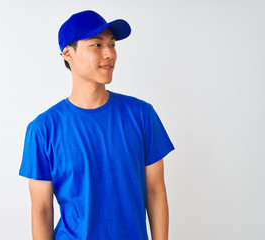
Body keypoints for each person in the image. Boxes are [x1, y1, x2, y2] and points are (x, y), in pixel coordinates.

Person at [19, 10, 175, 240]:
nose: (109, 53)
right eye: (96, 45)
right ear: (67, 53)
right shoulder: (43, 129)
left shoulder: (141, 115)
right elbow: (41, 210)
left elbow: (155, 191)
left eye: (112, 44)